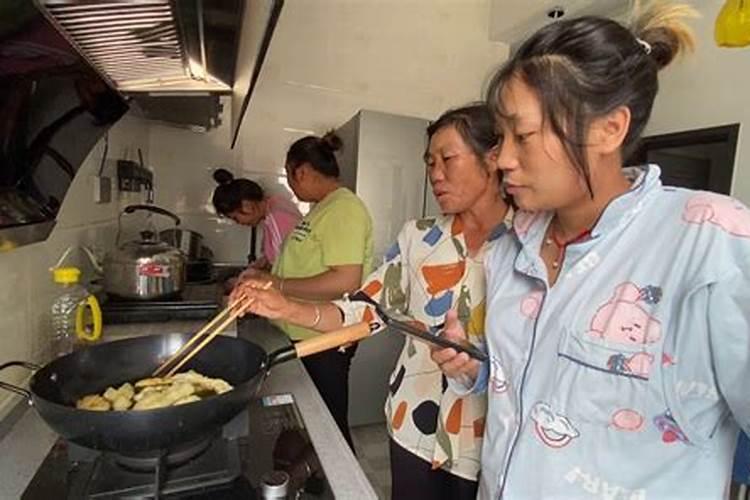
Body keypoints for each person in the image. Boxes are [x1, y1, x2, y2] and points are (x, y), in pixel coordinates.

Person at [432, 3, 750, 499]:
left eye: (525, 136)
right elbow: (543, 387)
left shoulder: (710, 242)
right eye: (502, 138)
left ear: (609, 129)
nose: (505, 160)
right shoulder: (511, 249)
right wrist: (478, 369)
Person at [233, 104, 512, 499]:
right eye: (429, 162)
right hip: (412, 425)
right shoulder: (418, 237)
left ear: (494, 157)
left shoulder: (533, 244)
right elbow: (366, 308)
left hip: (489, 438)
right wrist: (287, 306)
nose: (435, 173)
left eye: (448, 159)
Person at [237, 130, 374, 451]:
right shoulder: (320, 210)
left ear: (302, 171)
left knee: (329, 426)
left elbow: (346, 281)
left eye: (290, 176)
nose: (291, 185)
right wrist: (268, 276)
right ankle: (315, 481)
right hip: (303, 332)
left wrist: (280, 286)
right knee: (312, 424)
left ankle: (343, 487)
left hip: (323, 337)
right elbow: (303, 264)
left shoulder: (344, 208)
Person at [212, 168, 302, 270]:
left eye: (236, 218)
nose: (239, 223)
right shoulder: (275, 205)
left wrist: (255, 277)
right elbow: (277, 255)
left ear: (247, 206)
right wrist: (257, 265)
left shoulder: (277, 218)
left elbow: (284, 265)